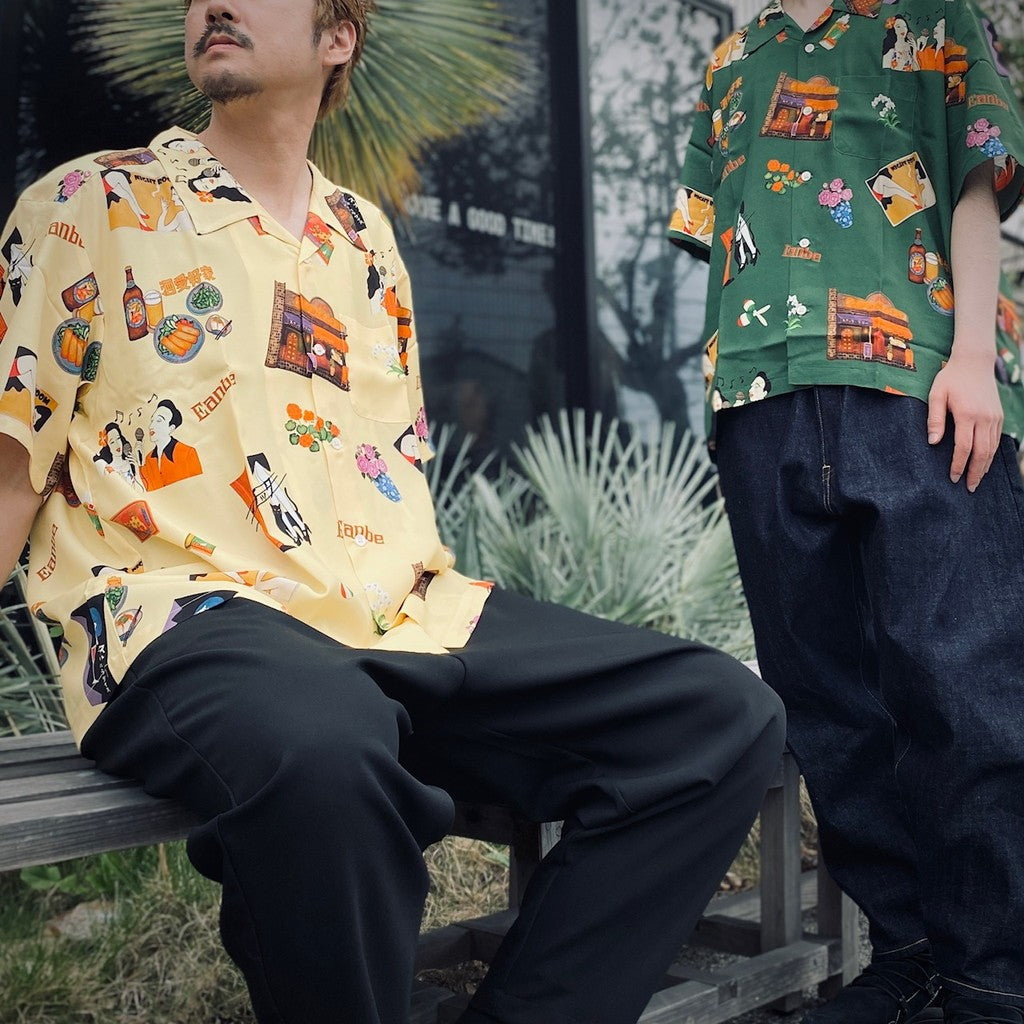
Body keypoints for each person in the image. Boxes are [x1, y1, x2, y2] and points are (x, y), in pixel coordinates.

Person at [0, 2, 786, 1023]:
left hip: (401, 613)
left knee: (720, 717)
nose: (214, 4)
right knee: (325, 743)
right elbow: (13, 465)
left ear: (339, 39)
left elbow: (386, 463)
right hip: (186, 615)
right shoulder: (87, 205)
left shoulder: (363, 238)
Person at [668, 1, 1024, 1022]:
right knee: (825, 703)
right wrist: (727, 410)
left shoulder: (927, 17)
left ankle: (993, 977)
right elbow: (724, 236)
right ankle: (909, 955)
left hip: (918, 391)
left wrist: (971, 358)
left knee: (965, 693)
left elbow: (973, 182)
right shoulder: (733, 61)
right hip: (761, 404)